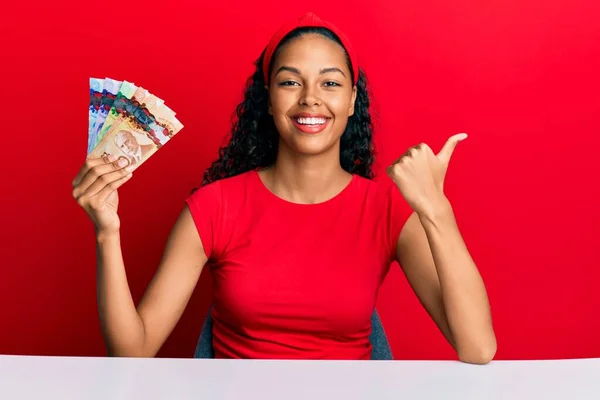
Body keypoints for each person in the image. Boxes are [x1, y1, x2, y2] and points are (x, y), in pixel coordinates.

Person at [71, 12, 496, 363]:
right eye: (291, 82)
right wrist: (107, 232)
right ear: (269, 98)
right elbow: (132, 352)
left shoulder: (386, 208)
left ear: (351, 100)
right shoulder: (213, 207)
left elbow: (477, 347)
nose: (310, 98)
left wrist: (435, 209)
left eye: (330, 83)